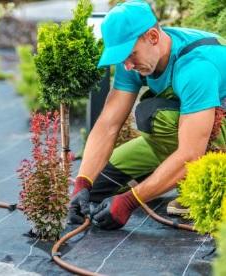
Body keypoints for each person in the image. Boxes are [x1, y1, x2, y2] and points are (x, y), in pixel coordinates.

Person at [68, 0, 226, 230]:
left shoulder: (196, 66)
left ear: (152, 37)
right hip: (184, 131)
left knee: (156, 116)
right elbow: (108, 124)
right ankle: (163, 173)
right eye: (122, 58)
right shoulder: (134, 59)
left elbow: (191, 153)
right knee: (97, 187)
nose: (128, 65)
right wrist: (82, 183)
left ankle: (198, 188)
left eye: (130, 55)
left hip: (214, 131)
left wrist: (131, 201)